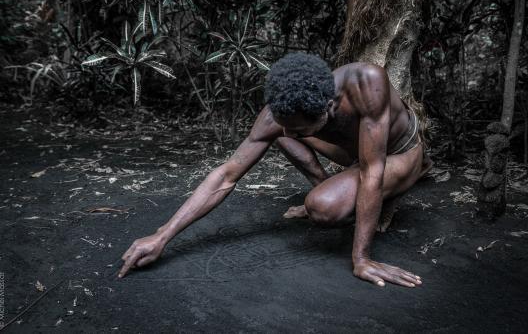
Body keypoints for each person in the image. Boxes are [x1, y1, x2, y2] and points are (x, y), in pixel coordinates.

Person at [118, 53, 432, 287]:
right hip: (351, 149)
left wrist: (361, 259)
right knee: (277, 135)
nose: (294, 136)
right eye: (289, 127)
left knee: (323, 207)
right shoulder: (282, 112)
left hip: (397, 152)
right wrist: (162, 235)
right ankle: (332, 183)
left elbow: (372, 171)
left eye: (301, 130)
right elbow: (227, 174)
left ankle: (346, 190)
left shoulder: (367, 83)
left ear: (330, 107)